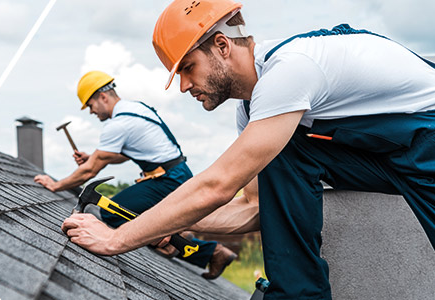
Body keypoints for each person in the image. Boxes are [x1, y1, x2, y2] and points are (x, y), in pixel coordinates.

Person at [61, 0, 435, 299]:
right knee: (283, 151)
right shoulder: (256, 113)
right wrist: (168, 224)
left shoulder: (289, 71)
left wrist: (117, 237)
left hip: (426, 140)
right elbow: (254, 208)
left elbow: (217, 185)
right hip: (391, 155)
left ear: (222, 46)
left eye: (188, 67)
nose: (184, 86)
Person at [35, 70, 238, 279]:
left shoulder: (119, 123)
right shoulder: (136, 109)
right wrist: (93, 157)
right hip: (174, 174)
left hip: (167, 180)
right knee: (141, 218)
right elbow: (122, 155)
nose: (91, 112)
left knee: (109, 213)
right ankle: (201, 248)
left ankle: (186, 244)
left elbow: (90, 170)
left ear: (102, 97)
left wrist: (55, 185)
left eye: (90, 105)